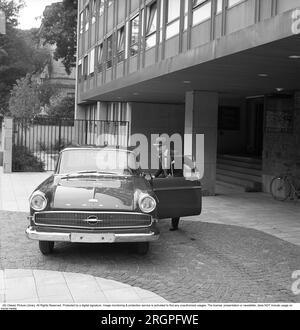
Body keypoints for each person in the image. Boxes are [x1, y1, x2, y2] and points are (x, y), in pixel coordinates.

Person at [153, 137, 182, 231]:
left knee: (175, 202)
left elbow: (179, 171)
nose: (157, 149)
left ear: (164, 146)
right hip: (167, 180)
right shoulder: (161, 155)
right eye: (156, 147)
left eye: (158, 147)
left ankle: (175, 225)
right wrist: (154, 177)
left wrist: (173, 178)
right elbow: (162, 168)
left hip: (175, 181)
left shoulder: (175, 154)